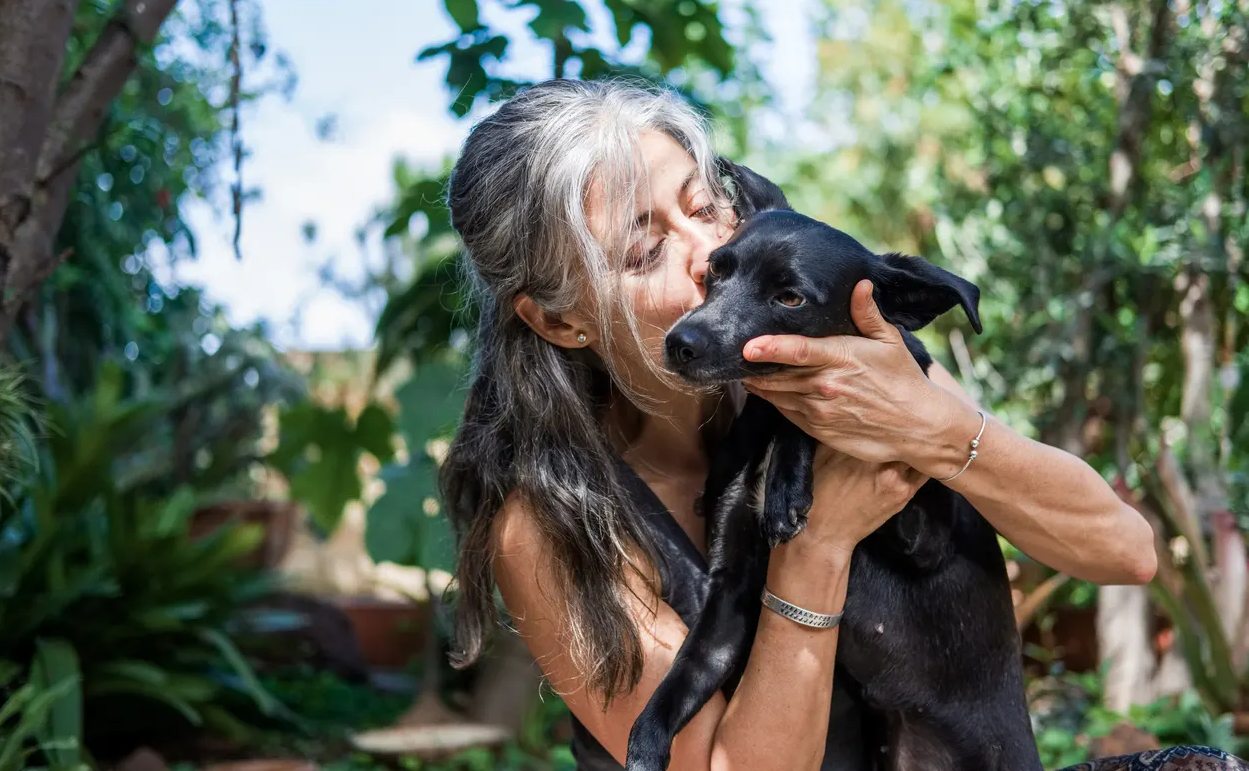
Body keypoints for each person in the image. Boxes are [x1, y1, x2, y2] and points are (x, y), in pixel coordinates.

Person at [437, 78, 1242, 771]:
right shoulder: (552, 527)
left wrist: (930, 426)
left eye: (705, 203)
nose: (709, 250)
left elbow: (1123, 550)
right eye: (645, 252)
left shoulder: (841, 363)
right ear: (558, 320)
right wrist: (815, 545)